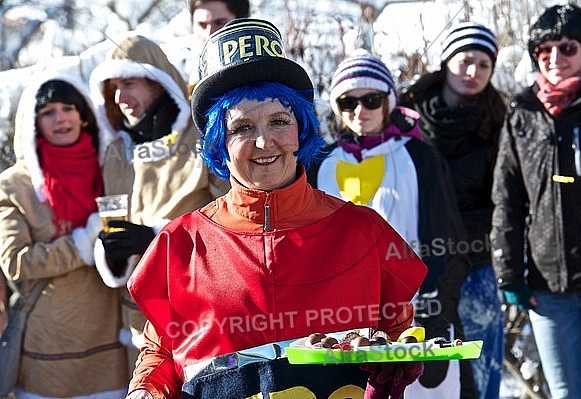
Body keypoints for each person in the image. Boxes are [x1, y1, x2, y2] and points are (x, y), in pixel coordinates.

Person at [125, 18, 428, 399]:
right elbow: (161, 354)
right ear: (220, 144)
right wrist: (145, 391)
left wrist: (402, 355)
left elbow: (400, 330)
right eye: (243, 128)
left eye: (279, 121)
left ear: (301, 130)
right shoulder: (181, 244)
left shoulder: (363, 231)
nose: (264, 141)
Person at [310, 51, 473, 398]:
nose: (360, 110)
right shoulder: (319, 164)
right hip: (340, 330)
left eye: (371, 99)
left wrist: (434, 316)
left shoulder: (419, 157)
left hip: (414, 321)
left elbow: (446, 243)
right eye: (348, 101)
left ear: (389, 102)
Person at [88, 34, 227, 372]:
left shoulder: (203, 139)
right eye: (114, 89)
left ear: (158, 81)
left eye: (130, 84)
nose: (121, 98)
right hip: (137, 325)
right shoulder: (116, 152)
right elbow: (112, 222)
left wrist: (156, 237)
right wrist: (111, 252)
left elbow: (233, 223)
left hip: (202, 319)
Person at [491, 4, 581, 398]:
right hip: (546, 287)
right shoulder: (523, 111)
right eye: (545, 50)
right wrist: (509, 277)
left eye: (567, 48)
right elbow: (507, 199)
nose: (555, 59)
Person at [0, 72, 128, 397]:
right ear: (33, 122)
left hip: (112, 346)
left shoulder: (113, 168)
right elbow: (15, 261)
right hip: (48, 352)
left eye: (68, 108)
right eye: (48, 112)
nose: (61, 119)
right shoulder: (14, 185)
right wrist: (82, 244)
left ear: (84, 115)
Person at [400, 21, 506, 399]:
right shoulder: (406, 116)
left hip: (474, 262)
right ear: (446, 61)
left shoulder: (500, 123)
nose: (473, 72)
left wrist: (457, 238)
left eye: (483, 64)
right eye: (465, 61)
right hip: (414, 263)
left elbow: (505, 199)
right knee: (421, 378)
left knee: (478, 370)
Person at [184, 0, 250, 93]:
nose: (208, 34)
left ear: (242, 22)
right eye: (202, 25)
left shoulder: (265, 75)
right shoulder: (180, 82)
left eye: (219, 23)